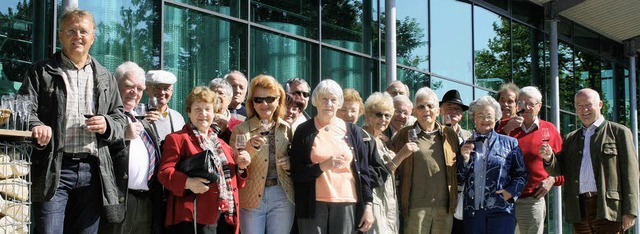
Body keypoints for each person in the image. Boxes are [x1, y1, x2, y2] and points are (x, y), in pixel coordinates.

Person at [20, 8, 127, 233]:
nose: (77, 36)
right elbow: (23, 111)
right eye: (71, 31)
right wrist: (36, 125)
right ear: (60, 36)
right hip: (53, 167)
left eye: (83, 31)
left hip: (94, 171)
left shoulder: (105, 76)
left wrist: (107, 124)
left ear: (93, 37)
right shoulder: (41, 72)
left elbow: (120, 119)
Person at [541, 88, 639, 233]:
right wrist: (549, 157)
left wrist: (630, 211)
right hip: (579, 209)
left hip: (608, 208)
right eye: (579, 106)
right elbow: (558, 169)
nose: (584, 109)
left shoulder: (619, 132)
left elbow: (631, 174)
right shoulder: (570, 138)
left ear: (600, 104)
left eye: (588, 104)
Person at [157, 87, 250, 233]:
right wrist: (187, 182)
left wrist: (242, 168)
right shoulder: (177, 139)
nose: (203, 114)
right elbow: (164, 173)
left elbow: (235, 182)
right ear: (189, 112)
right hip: (193, 217)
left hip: (225, 216)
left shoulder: (223, 145)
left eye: (208, 109)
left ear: (214, 113)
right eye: (198, 109)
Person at [290, 79, 374, 233]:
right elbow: (296, 172)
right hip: (312, 204)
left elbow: (364, 172)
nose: (329, 103)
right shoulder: (303, 131)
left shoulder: (353, 131)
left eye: (333, 99)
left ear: (339, 103)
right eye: (324, 99)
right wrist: (322, 166)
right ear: (315, 101)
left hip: (347, 201)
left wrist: (368, 205)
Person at [101, 61, 164, 234]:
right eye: (129, 86)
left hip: (146, 201)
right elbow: (98, 152)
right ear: (115, 85)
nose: (134, 93)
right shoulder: (105, 117)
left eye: (139, 88)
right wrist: (122, 135)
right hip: (119, 201)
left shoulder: (144, 120)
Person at [230, 75, 295, 234]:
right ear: (252, 102)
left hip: (282, 194)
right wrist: (249, 148)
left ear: (279, 100)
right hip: (251, 196)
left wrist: (290, 164)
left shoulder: (287, 128)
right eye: (258, 99)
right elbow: (233, 164)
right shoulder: (241, 130)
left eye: (270, 99)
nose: (264, 104)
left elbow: (297, 159)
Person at [392, 87, 460, 234]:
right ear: (415, 112)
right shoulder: (404, 134)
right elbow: (391, 165)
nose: (426, 110)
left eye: (430, 106)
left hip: (444, 207)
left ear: (438, 110)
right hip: (415, 208)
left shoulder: (449, 135)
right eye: (421, 107)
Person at [457, 96, 528, 234]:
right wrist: (464, 159)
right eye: (480, 116)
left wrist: (510, 193)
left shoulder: (510, 143)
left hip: (501, 212)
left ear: (496, 118)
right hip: (472, 214)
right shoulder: (465, 145)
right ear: (473, 118)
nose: (485, 120)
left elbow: (521, 175)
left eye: (489, 116)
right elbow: (458, 179)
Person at [506, 86, 563, 234]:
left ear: (540, 106)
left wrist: (551, 180)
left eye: (531, 103)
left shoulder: (549, 130)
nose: (526, 107)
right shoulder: (506, 127)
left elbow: (563, 167)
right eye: (521, 103)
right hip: (504, 197)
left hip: (531, 200)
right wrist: (504, 130)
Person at [362, 92, 410, 234]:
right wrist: (400, 156)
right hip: (374, 203)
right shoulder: (363, 140)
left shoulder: (383, 142)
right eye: (378, 114)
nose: (383, 119)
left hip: (390, 204)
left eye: (387, 115)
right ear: (367, 116)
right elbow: (370, 177)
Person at [438, 89, 471, 234]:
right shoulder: (435, 132)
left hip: (463, 195)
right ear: (441, 111)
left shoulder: (469, 135)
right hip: (441, 196)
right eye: (449, 107)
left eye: (457, 108)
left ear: (462, 114)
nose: (453, 111)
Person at [145, 70, 186, 141]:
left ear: (172, 91)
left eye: (166, 88)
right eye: (157, 88)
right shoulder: (140, 115)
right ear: (147, 89)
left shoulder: (177, 118)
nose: (162, 92)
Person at [209, 77, 244, 143]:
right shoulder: (200, 121)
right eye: (213, 93)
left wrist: (225, 131)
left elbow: (239, 149)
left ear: (229, 99)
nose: (216, 96)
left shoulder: (239, 126)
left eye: (221, 93)